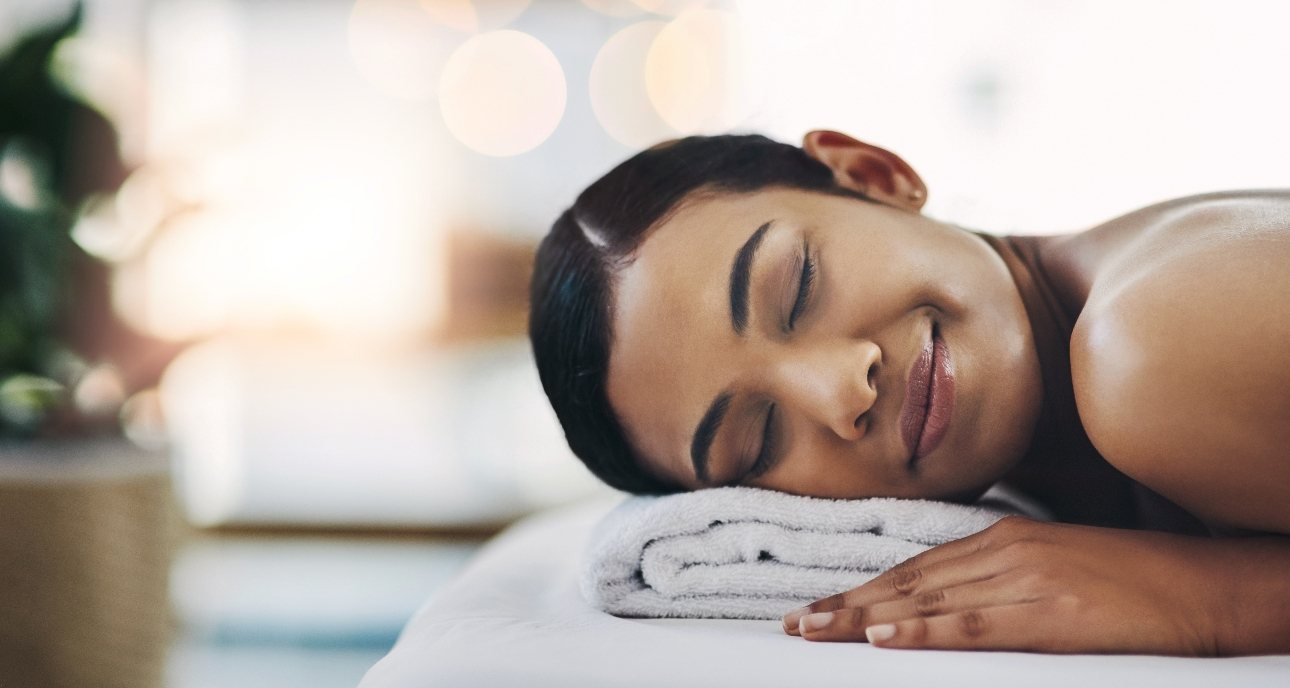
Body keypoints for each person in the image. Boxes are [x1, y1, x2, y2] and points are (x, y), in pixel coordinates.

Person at [527, 130, 1290, 656]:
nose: (839, 392)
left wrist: (1216, 604)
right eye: (757, 440)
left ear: (872, 174)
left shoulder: (1145, 345)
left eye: (797, 287)